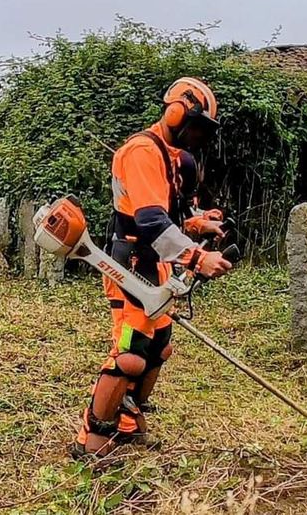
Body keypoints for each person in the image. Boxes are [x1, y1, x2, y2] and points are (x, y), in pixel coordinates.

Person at [73, 77, 233, 458]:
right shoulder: (142, 152)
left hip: (157, 261)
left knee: (158, 347)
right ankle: (92, 437)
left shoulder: (172, 157)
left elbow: (171, 215)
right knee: (130, 352)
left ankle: (128, 422)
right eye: (195, 125)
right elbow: (149, 222)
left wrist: (198, 224)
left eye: (203, 131)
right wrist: (197, 257)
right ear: (175, 112)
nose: (197, 135)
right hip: (130, 261)